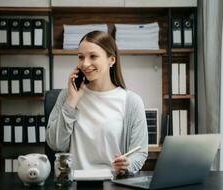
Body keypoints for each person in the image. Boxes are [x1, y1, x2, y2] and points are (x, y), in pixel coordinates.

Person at [46, 30, 148, 176]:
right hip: (75, 184)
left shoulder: (132, 102)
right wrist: (72, 100)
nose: (85, 64)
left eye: (93, 56)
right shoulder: (67, 96)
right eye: (81, 57)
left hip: (114, 184)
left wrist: (128, 164)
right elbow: (56, 144)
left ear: (111, 60)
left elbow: (140, 152)